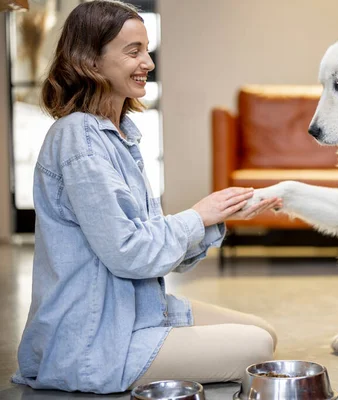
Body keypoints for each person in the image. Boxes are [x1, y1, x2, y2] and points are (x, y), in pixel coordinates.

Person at [12, 0, 281, 394]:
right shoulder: (78, 140)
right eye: (133, 51)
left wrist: (221, 215)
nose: (149, 63)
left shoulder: (120, 135)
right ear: (91, 59)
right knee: (256, 347)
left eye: (146, 50)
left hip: (135, 310)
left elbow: (153, 248)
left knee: (264, 332)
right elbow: (129, 253)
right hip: (96, 340)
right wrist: (197, 216)